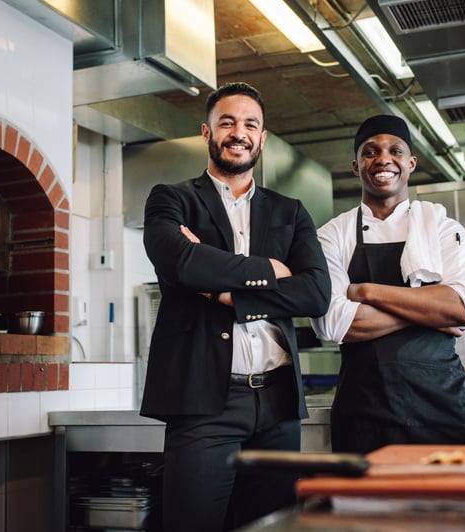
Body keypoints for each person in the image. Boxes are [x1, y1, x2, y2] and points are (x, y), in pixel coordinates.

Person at [140, 81, 332, 532]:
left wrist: (225, 289)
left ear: (262, 138)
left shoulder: (292, 211)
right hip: (205, 401)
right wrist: (271, 270)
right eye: (227, 122)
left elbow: (315, 293)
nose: (238, 132)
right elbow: (181, 260)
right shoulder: (171, 199)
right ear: (206, 132)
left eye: (250, 124)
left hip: (279, 402)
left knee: (274, 526)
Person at [310, 114, 465, 454]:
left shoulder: (443, 228)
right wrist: (430, 311)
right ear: (356, 165)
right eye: (371, 152)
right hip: (364, 411)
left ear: (411, 163)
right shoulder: (332, 235)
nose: (383, 159)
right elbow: (333, 323)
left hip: (444, 406)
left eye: (396, 150)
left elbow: (463, 308)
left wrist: (365, 292)